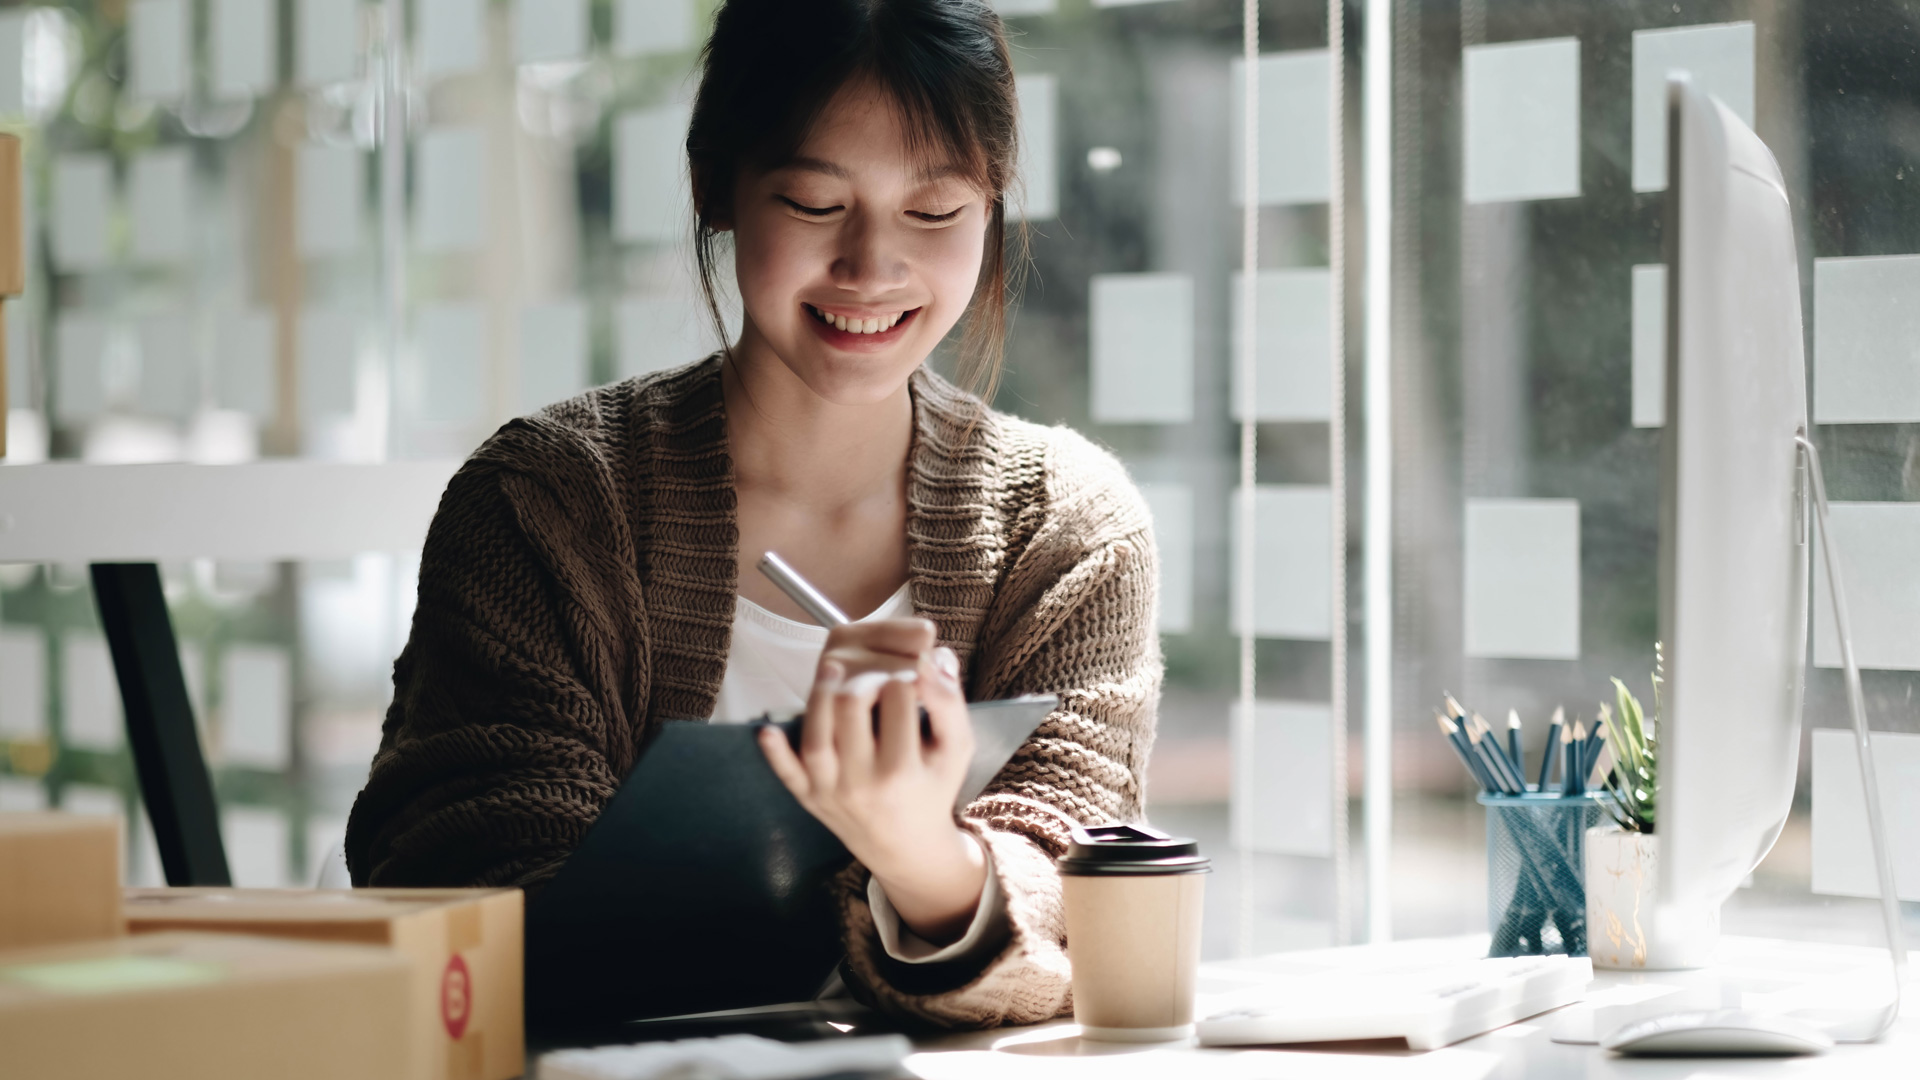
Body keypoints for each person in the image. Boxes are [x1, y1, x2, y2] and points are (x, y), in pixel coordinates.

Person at [345, 0, 1161, 1029]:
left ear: (993, 207)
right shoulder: (546, 506)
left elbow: (1080, 899)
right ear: (713, 184)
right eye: (816, 203)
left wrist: (927, 859)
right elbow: (461, 876)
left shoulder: (1068, 532)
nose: (872, 267)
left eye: (936, 211)